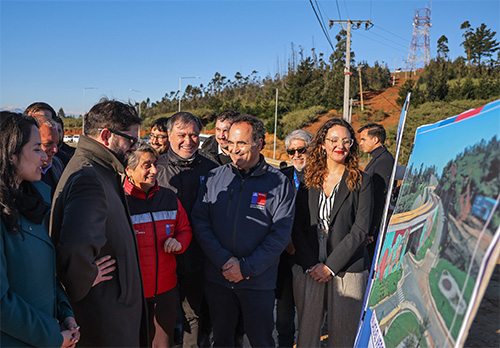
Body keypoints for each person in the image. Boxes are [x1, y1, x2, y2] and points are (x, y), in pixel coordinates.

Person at [50, 99, 148, 347]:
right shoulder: (89, 177)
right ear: (106, 135)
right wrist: (83, 278)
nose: (133, 149)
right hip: (105, 316)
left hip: (113, 309)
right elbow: (75, 247)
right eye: (130, 140)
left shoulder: (100, 170)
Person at [191, 114, 296, 348]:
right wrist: (224, 261)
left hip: (258, 283)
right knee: (222, 340)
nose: (234, 150)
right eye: (231, 143)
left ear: (259, 143)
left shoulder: (279, 184)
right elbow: (201, 222)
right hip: (219, 279)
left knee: (261, 340)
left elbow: (279, 235)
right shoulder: (214, 177)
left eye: (242, 143)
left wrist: (245, 268)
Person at [0, 112, 80, 348]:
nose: (45, 156)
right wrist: (52, 336)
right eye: (36, 149)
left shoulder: (35, 201)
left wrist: (64, 312)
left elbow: (46, 273)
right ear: (11, 155)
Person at [292, 118, 373, 347]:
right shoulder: (309, 179)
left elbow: (360, 229)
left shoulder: (362, 180)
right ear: (322, 145)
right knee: (307, 334)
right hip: (308, 261)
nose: (340, 146)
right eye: (334, 140)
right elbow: (297, 226)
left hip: (348, 263)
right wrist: (311, 264)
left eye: (346, 141)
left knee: (344, 335)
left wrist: (329, 266)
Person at [156, 112, 218, 347]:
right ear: (169, 135)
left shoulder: (212, 169)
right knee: (165, 315)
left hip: (199, 256)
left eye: (194, 135)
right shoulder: (155, 168)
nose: (188, 141)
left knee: (194, 314)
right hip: (162, 254)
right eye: (181, 135)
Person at [125, 143, 193, 347]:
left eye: (155, 164)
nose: (154, 171)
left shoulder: (169, 197)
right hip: (133, 294)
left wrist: (178, 242)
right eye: (147, 165)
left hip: (165, 292)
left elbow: (185, 229)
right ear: (129, 170)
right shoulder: (120, 201)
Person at [276, 129, 313, 348]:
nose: (297, 155)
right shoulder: (282, 177)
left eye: (302, 150)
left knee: (310, 312)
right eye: (292, 151)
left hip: (311, 255)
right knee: (283, 314)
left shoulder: (322, 176)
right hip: (285, 255)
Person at [358, 123, 395, 261]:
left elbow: (380, 197)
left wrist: (371, 230)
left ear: (375, 140)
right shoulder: (376, 159)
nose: (361, 143)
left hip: (374, 226)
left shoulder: (384, 161)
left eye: (363, 139)